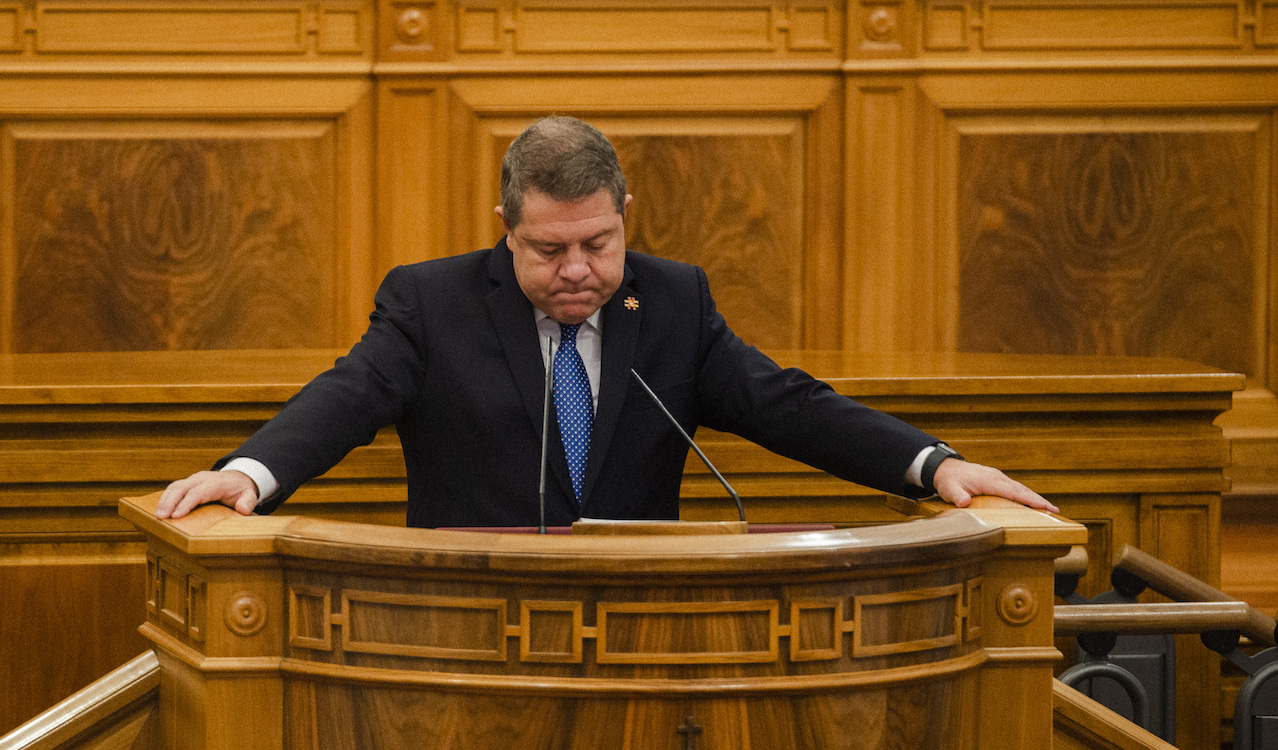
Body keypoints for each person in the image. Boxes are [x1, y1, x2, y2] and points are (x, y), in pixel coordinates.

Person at [157, 116, 1056, 526]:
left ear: (625, 211)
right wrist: (252, 470)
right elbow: (350, 395)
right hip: (465, 626)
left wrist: (935, 466)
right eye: (550, 250)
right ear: (505, 230)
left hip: (638, 622)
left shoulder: (673, 299)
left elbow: (786, 405)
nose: (579, 270)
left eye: (600, 241)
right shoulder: (430, 301)